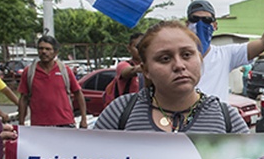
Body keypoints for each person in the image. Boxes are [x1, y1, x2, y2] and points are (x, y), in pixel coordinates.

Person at [95, 21, 248, 134]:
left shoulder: (226, 118)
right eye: (165, 58)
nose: (179, 65)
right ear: (145, 70)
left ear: (200, 59)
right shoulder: (121, 111)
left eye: (187, 55)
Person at [188, 0, 264, 101]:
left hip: (216, 119)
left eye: (207, 20)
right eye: (194, 19)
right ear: (186, 24)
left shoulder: (225, 55)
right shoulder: (177, 59)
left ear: (215, 25)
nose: (201, 24)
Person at [17, 35, 87, 128]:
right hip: (39, 126)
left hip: (65, 123)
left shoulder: (64, 70)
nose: (44, 52)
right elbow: (23, 98)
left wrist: (84, 119)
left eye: (48, 49)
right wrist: (21, 123)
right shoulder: (29, 72)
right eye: (41, 48)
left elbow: (78, 93)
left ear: (55, 52)